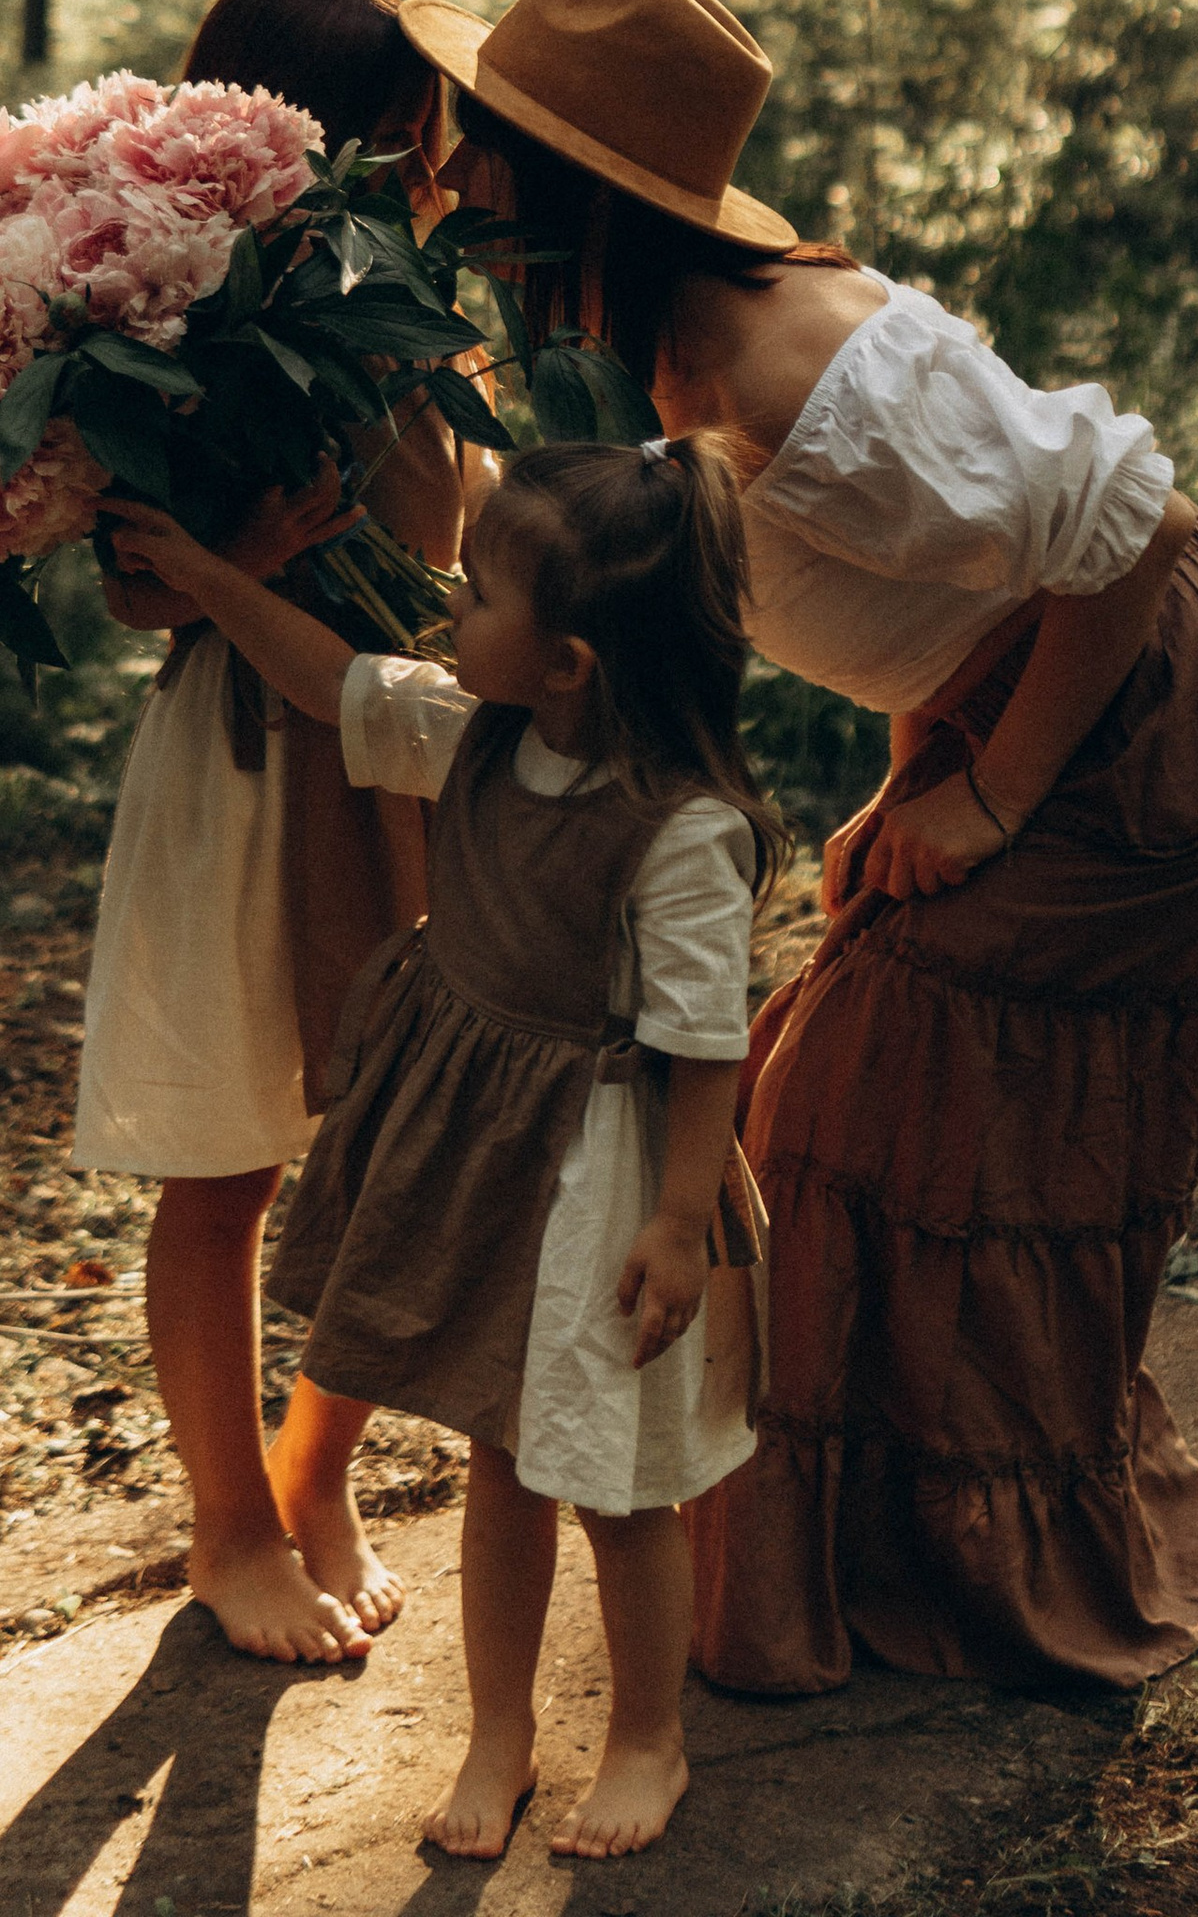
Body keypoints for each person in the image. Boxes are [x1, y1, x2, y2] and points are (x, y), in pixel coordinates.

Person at [392, 0, 1198, 1697]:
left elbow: (1120, 533)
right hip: (1045, 692)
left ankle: (966, 1551)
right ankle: (899, 1533)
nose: (456, 180)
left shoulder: (791, 372)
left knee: (859, 1095)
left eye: (485, 146)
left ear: (585, 188)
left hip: (1185, 717)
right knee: (835, 1079)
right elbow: (967, 580)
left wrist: (994, 794)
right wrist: (920, 780)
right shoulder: (688, 357)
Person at [103, 437, 780, 1863]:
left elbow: (704, 1037)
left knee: (616, 1480)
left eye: (476, 597)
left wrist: (674, 1223)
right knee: (502, 1454)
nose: (445, 615)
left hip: (607, 1178)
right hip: (491, 1167)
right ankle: (501, 1729)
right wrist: (211, 573)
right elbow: (322, 676)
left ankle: (649, 1736)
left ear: (571, 662)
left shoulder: (680, 830)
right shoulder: (471, 730)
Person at [73, 0, 488, 1665]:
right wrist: (236, 564)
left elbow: (445, 526)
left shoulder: (401, 286)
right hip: (240, 761)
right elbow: (129, 586)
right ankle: (229, 1526)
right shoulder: (151, 307)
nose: (425, 169)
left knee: (386, 1143)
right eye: (395, 139)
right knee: (226, 1167)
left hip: (389, 740)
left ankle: (317, 1472)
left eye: (430, 144)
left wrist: (396, 345)